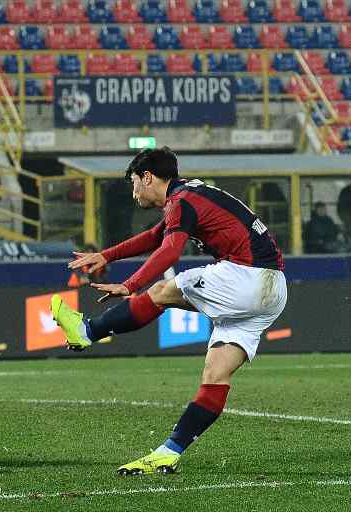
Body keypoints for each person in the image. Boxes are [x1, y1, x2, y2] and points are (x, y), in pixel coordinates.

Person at [52, 147, 287, 476]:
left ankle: (87, 331)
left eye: (134, 182)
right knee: (215, 375)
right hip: (274, 290)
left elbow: (170, 249)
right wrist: (106, 256)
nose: (134, 191)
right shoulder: (188, 195)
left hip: (247, 276)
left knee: (162, 291)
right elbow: (156, 236)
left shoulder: (181, 201)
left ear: (147, 177)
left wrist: (131, 284)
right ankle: (168, 452)